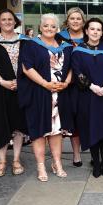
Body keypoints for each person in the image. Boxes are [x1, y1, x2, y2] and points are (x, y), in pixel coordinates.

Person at [18, 13, 73, 182]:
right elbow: (27, 68)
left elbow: (71, 67)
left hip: (59, 95)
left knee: (56, 131)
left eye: (53, 26)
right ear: (40, 27)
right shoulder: (31, 45)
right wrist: (45, 84)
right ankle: (41, 165)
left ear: (58, 28)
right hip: (39, 94)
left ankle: (57, 163)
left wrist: (66, 83)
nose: (49, 28)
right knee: (39, 131)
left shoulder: (65, 46)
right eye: (46, 25)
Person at [0, 9, 30, 177]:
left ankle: (16, 159)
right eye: (4, 19)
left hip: (20, 89)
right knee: (1, 125)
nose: (7, 22)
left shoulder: (25, 42)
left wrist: (21, 82)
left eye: (10, 19)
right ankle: (2, 161)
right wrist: (3, 82)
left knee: (18, 125)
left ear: (15, 21)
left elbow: (31, 64)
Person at [71, 18, 103, 178]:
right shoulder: (78, 50)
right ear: (86, 31)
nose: (95, 32)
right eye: (92, 29)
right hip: (87, 96)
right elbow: (77, 72)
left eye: (99, 29)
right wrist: (91, 86)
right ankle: (95, 162)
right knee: (91, 128)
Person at [58, 7, 85, 167]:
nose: (75, 21)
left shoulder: (89, 36)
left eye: (78, 18)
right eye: (72, 18)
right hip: (65, 85)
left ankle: (82, 152)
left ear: (83, 21)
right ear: (67, 20)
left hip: (85, 85)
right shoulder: (59, 37)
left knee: (84, 119)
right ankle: (67, 155)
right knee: (66, 119)